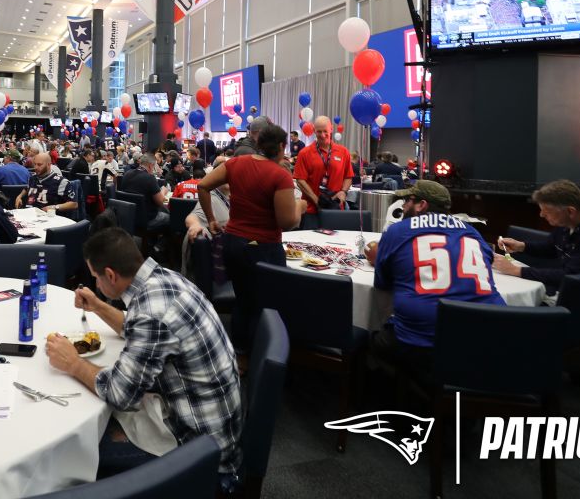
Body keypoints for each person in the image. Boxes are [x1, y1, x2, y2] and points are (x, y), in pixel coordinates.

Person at [44, 228, 242, 488]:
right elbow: (138, 328)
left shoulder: (152, 312)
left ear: (111, 275)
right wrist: (98, 306)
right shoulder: (164, 279)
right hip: (213, 425)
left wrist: (73, 362)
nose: (96, 285)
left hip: (200, 452)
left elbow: (119, 393)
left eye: (96, 278)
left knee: (73, 455)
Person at [364, 180, 506, 382]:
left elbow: (383, 284)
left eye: (407, 201)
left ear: (421, 205)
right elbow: (487, 262)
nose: (403, 206)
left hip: (421, 341)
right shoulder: (473, 232)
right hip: (487, 338)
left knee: (372, 338)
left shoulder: (398, 231)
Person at [197, 122, 304, 351]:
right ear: (283, 146)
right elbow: (287, 222)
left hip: (233, 244)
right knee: (264, 305)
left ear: (259, 143)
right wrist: (300, 207)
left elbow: (203, 186)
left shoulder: (235, 163)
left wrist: (212, 219)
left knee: (243, 300)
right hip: (262, 248)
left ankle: (240, 354)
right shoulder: (280, 176)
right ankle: (261, 354)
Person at [491, 180, 580, 329]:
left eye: (546, 211)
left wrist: (517, 271)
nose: (542, 215)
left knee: (516, 319)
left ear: (570, 211)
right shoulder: (570, 223)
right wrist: (522, 246)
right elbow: (551, 248)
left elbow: (571, 276)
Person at [293, 116, 354, 228]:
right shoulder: (305, 153)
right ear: (314, 131)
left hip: (335, 209)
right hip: (311, 210)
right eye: (318, 131)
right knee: (309, 244)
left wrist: (343, 192)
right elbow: (300, 180)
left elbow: (348, 176)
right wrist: (315, 199)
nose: (322, 135)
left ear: (331, 129)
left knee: (336, 244)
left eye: (325, 131)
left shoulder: (343, 152)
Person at [119, 154, 170, 230]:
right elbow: (160, 201)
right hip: (146, 220)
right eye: (154, 167)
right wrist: (163, 190)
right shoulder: (150, 178)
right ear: (150, 166)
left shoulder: (127, 174)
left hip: (128, 216)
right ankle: (162, 241)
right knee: (170, 217)